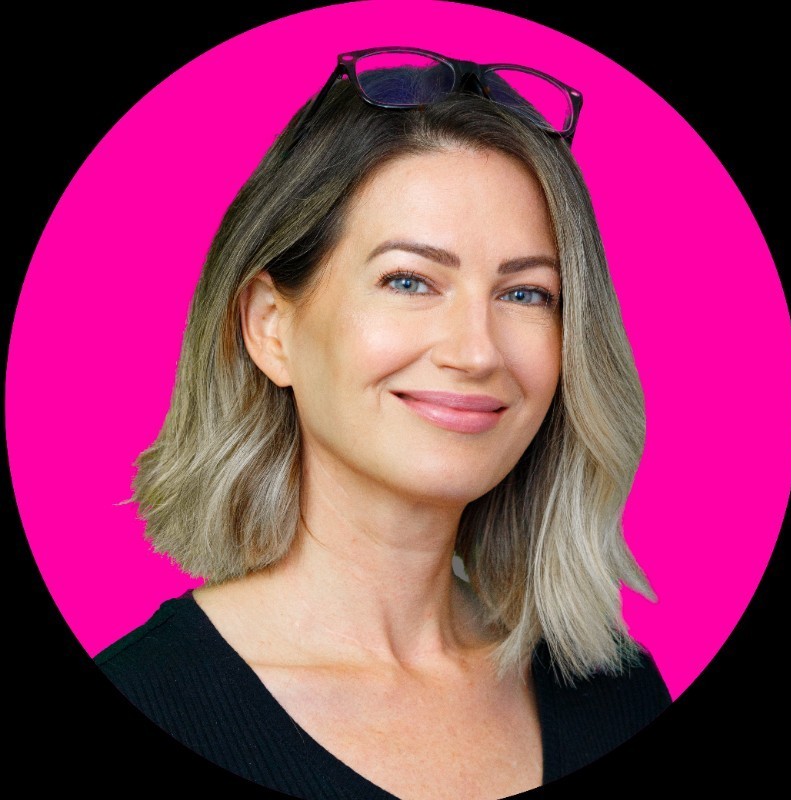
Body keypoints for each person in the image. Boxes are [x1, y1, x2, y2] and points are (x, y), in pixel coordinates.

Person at [95, 48, 671, 798]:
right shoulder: (149, 700)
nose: (476, 351)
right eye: (409, 280)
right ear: (270, 327)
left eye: (527, 294)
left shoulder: (617, 694)